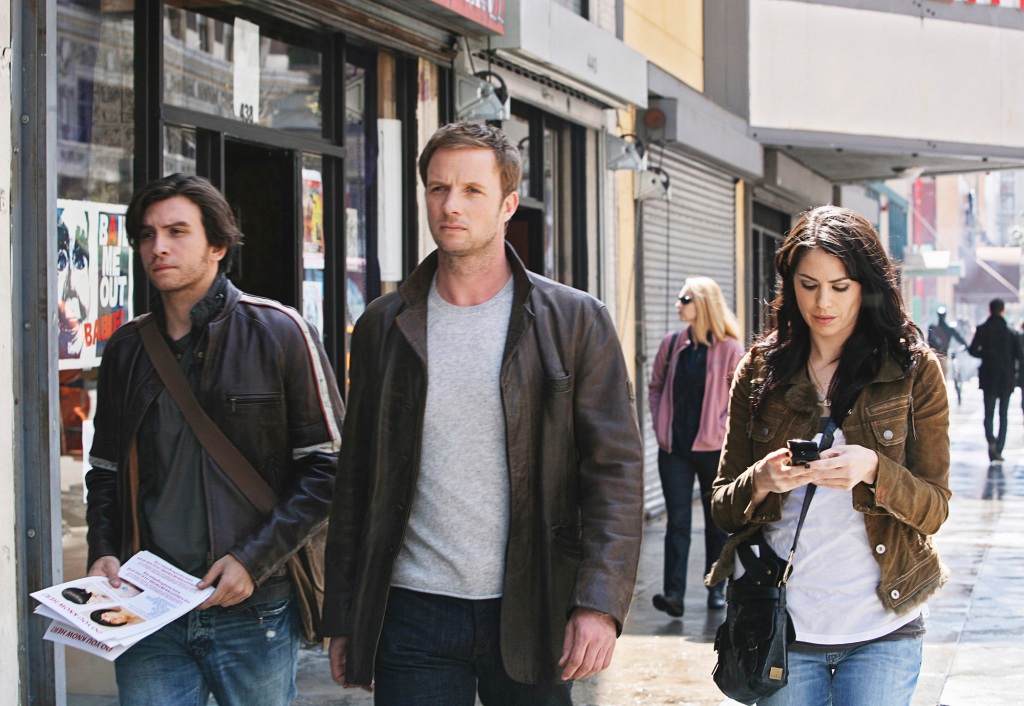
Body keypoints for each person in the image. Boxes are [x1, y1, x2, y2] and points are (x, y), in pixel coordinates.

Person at [322, 122, 644, 705]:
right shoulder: (382, 325)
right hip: (411, 609)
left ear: (508, 204)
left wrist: (600, 602)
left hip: (533, 605)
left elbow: (615, 474)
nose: (451, 205)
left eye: (472, 191)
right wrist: (344, 614)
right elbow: (356, 481)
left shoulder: (574, 321)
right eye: (439, 189)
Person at [85, 174, 344, 706]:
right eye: (147, 235)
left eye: (177, 231)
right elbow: (106, 472)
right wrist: (103, 552)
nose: (158, 247)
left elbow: (329, 468)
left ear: (218, 245)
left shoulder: (280, 332)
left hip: (253, 605)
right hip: (146, 604)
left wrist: (253, 560)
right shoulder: (127, 349)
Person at [707, 206, 951, 706]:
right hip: (785, 629)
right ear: (789, 284)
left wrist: (874, 470)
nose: (823, 303)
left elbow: (935, 509)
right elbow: (723, 506)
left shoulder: (913, 370)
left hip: (884, 629)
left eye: (840, 287)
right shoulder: (759, 371)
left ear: (866, 286)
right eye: (808, 284)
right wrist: (762, 480)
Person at [647, 277, 743, 618]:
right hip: (675, 448)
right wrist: (661, 426)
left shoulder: (730, 348)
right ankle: (673, 594)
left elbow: (742, 398)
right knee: (678, 522)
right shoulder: (672, 345)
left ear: (703, 303)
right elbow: (655, 386)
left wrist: (722, 428)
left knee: (716, 522)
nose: (678, 303)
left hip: (714, 449)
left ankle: (716, 588)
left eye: (684, 298)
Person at [968, 298, 1024, 462]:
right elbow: (1020, 356)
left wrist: (985, 355)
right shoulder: (1010, 332)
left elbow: (972, 350)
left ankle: (991, 441)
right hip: (1006, 379)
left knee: (989, 414)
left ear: (989, 310)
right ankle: (999, 448)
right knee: (1003, 414)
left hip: (988, 377)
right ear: (1003, 310)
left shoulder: (983, 330)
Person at [926, 306, 967, 377]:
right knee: (943, 376)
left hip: (933, 356)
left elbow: (929, 341)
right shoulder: (949, 328)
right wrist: (966, 345)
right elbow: (959, 338)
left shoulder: (932, 328)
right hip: (943, 355)